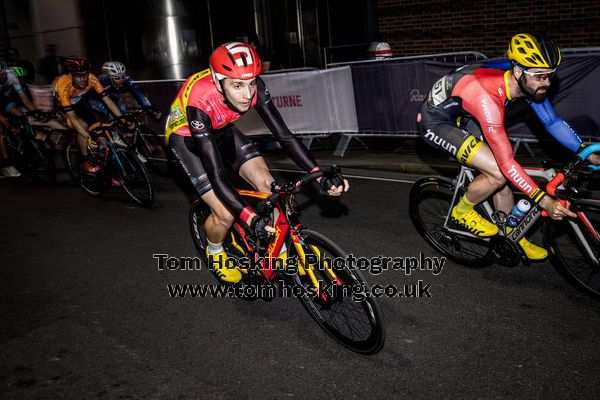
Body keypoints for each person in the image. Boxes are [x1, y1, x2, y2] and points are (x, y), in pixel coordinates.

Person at [165, 42, 349, 282]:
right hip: (186, 140)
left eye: (251, 83)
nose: (248, 93)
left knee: (270, 186)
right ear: (218, 82)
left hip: (221, 129)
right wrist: (250, 218)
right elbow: (217, 176)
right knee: (226, 214)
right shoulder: (200, 100)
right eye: (237, 85)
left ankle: (279, 251)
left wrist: (318, 173)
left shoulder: (254, 88)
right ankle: (215, 250)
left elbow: (284, 136)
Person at [417, 33, 600, 261]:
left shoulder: (526, 79)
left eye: (550, 75)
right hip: (437, 120)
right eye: (540, 76)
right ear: (517, 72)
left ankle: (513, 235)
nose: (547, 82)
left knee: (504, 178)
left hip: (466, 109)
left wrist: (586, 151)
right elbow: (506, 164)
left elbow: (552, 121)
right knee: (498, 172)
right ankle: (461, 212)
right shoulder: (489, 95)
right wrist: (545, 200)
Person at [54, 56, 132, 173]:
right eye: (78, 76)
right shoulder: (63, 85)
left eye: (85, 75)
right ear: (71, 75)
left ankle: (105, 168)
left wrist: (122, 119)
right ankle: (84, 160)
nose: (83, 79)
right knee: (83, 127)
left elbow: (108, 102)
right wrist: (87, 137)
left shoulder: (92, 79)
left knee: (101, 133)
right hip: (63, 110)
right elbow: (72, 117)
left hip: (80, 104)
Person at [0, 62, 44, 177]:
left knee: (20, 113)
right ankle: (6, 165)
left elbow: (23, 97)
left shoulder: (11, 76)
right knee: (1, 131)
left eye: (1, 75)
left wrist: (34, 112)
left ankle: (24, 142)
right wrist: (8, 125)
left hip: (1, 97)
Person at [89, 61, 161, 120]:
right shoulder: (103, 81)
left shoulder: (126, 80)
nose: (121, 80)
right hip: (93, 98)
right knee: (111, 113)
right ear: (110, 78)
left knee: (124, 114)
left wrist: (149, 108)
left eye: (122, 77)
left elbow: (139, 95)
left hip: (107, 97)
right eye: (117, 78)